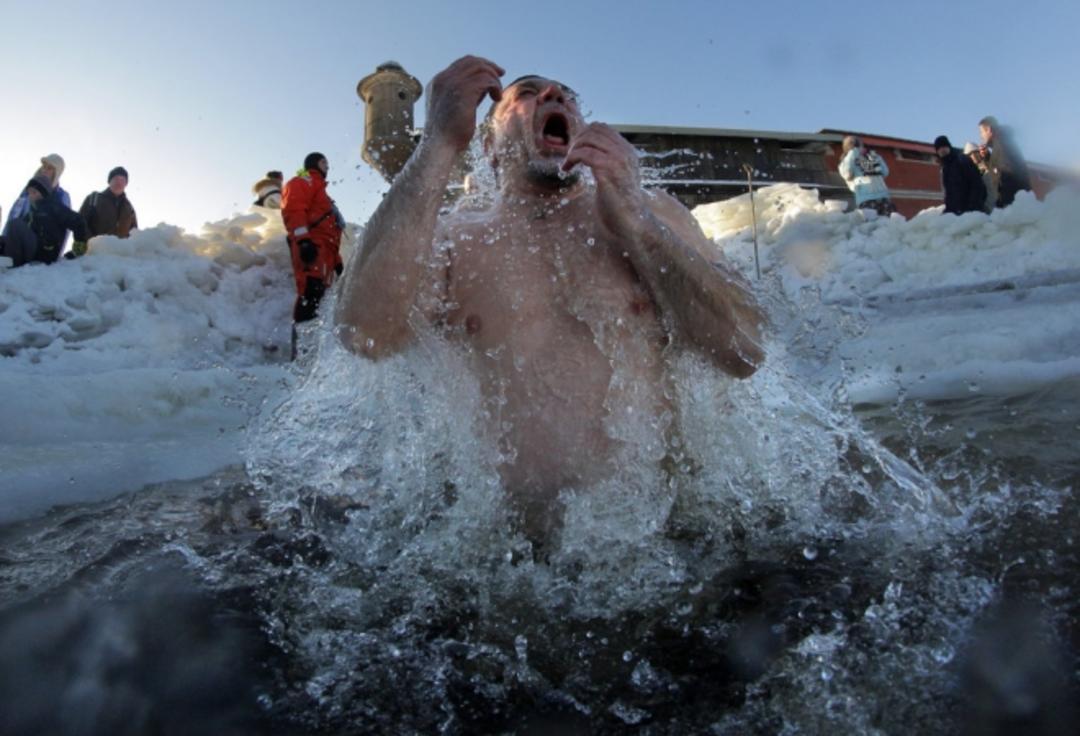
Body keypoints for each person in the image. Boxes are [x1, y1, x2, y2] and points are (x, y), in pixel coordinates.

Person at [335, 56, 765, 541]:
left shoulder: (652, 212)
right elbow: (364, 333)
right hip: (513, 559)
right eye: (526, 93)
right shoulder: (455, 239)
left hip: (667, 544)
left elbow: (743, 350)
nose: (554, 96)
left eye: (566, 95)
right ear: (490, 145)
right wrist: (437, 143)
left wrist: (636, 222)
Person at [281, 154, 345, 324]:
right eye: (324, 162)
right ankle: (302, 347)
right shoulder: (303, 181)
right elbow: (293, 209)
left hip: (325, 254)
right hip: (312, 246)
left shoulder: (324, 194)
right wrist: (303, 240)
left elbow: (330, 233)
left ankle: (314, 347)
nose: (328, 166)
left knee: (321, 300)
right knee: (310, 293)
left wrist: (337, 262)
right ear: (314, 163)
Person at [0, 175, 88, 267]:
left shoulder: (54, 207)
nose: (31, 196)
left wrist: (78, 249)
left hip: (45, 252)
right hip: (33, 248)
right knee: (3, 239)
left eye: (34, 192)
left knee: (15, 225)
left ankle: (12, 264)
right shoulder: (32, 212)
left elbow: (78, 221)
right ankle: (5, 261)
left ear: (43, 193)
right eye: (29, 193)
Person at [76, 166, 138, 253]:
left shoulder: (129, 208)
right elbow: (80, 223)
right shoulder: (94, 199)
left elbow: (134, 234)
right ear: (109, 181)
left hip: (120, 258)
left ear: (126, 184)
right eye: (116, 179)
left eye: (122, 180)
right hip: (93, 254)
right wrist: (92, 245)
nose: (119, 183)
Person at [973, 116, 1031, 208]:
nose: (981, 136)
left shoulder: (1002, 145)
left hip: (1014, 205)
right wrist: (987, 158)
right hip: (1015, 203)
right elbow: (997, 171)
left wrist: (1003, 202)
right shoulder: (1000, 144)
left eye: (981, 132)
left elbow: (1008, 175)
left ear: (989, 130)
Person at [7, 154, 72, 223]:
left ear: (57, 172)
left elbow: (65, 225)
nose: (44, 170)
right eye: (44, 166)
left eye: (49, 168)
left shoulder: (62, 196)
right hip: (21, 231)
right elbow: (13, 217)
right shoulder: (29, 189)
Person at [838, 136, 893, 215]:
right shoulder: (845, 162)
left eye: (856, 143)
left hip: (884, 197)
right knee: (872, 226)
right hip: (866, 199)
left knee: (890, 225)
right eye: (851, 143)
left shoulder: (871, 157)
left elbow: (885, 172)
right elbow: (846, 174)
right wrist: (853, 153)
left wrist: (876, 157)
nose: (855, 145)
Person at [934, 136, 987, 215]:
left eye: (944, 146)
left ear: (949, 146)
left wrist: (973, 207)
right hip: (957, 213)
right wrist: (948, 210)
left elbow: (977, 184)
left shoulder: (962, 160)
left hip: (971, 212)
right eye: (938, 148)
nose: (942, 150)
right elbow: (950, 194)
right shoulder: (945, 169)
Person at [964, 141, 997, 212]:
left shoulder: (988, 167)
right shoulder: (968, 173)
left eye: (975, 152)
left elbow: (993, 192)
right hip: (978, 211)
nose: (973, 156)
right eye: (970, 154)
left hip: (991, 209)